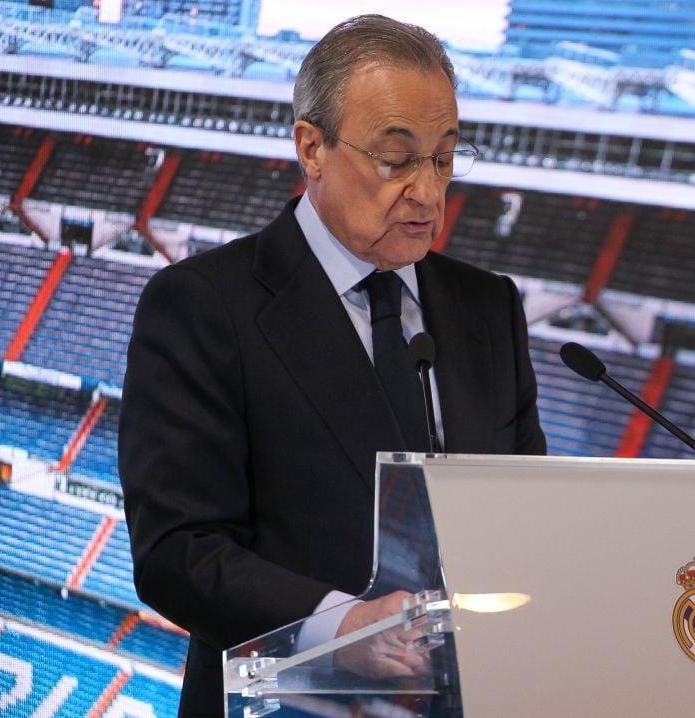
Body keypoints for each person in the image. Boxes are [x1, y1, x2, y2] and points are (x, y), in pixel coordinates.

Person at [118, 15, 546, 717]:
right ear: (311, 147)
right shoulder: (202, 304)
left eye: (443, 158)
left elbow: (528, 514)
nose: (428, 192)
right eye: (394, 158)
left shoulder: (488, 308)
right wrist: (336, 627)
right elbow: (177, 550)